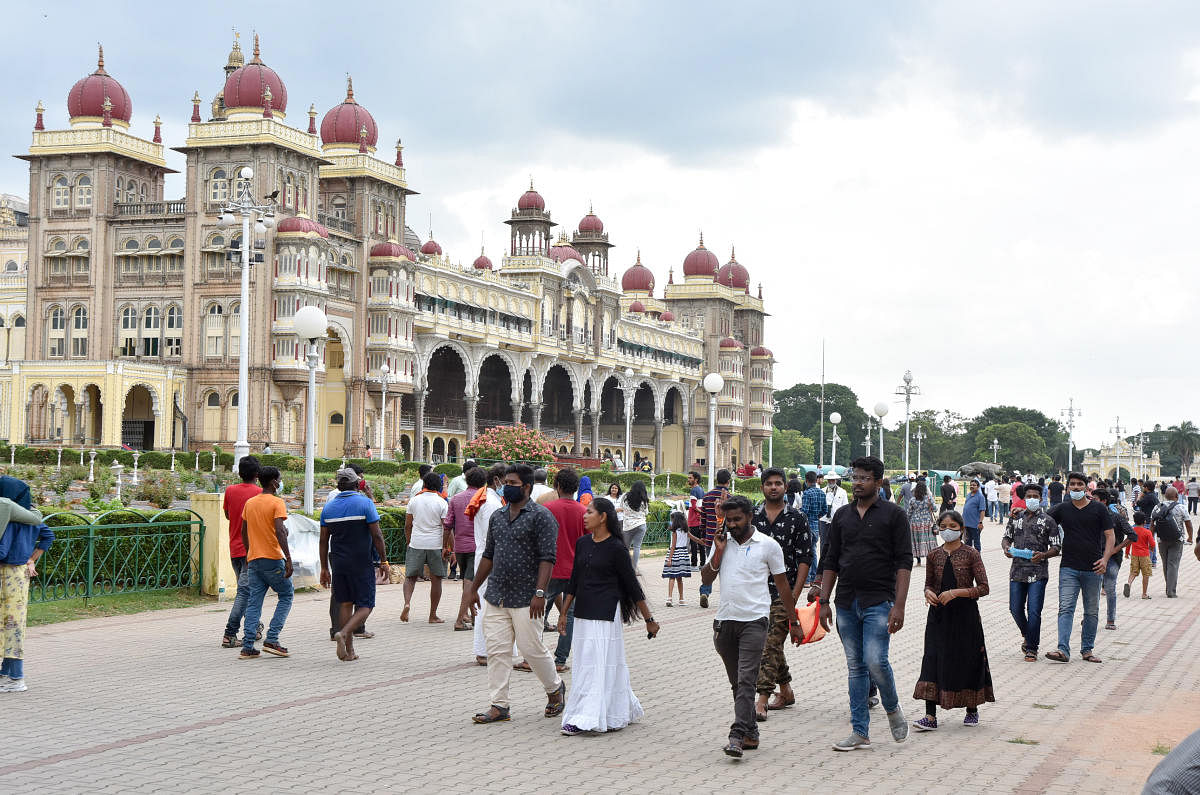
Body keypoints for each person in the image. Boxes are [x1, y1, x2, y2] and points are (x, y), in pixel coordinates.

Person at [816, 456, 912, 751]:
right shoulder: (842, 516)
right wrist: (823, 600)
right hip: (846, 602)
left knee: (875, 660)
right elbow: (830, 560)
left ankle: (893, 708)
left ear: (879, 482)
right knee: (855, 667)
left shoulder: (894, 515)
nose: (857, 483)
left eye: (864, 478)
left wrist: (899, 606)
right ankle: (860, 732)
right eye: (855, 478)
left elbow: (904, 563)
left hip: (878, 603)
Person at [699, 495, 800, 758]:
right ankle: (752, 733)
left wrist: (794, 621)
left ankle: (737, 736)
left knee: (746, 682)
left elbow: (782, 586)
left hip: (755, 622)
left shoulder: (768, 546)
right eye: (728, 520)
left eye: (737, 519)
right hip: (724, 623)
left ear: (750, 517)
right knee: (737, 684)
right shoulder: (722, 543)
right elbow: (706, 578)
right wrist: (718, 552)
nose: (732, 525)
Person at [468, 464, 566, 724]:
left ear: (526, 487)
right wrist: (473, 588)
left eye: (512, 483)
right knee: (497, 651)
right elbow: (488, 555)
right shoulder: (497, 516)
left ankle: (555, 689)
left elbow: (548, 558)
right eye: (505, 482)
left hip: (527, 597)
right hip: (497, 593)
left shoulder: (541, 517)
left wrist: (540, 592)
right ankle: (499, 705)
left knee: (531, 649)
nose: (505, 486)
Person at [558, 497, 658, 736]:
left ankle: (587, 716)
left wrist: (649, 619)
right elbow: (574, 580)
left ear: (603, 517)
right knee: (586, 663)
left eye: (589, 512)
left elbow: (632, 586)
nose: (585, 515)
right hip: (583, 612)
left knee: (599, 664)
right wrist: (563, 613)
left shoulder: (616, 547)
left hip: (605, 613)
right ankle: (616, 708)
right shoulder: (582, 543)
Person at [911, 510, 994, 730]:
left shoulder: (971, 554)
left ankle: (972, 709)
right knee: (932, 658)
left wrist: (957, 593)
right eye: (944, 526)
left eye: (953, 527)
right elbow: (928, 583)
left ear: (962, 529)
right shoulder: (933, 554)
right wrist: (928, 592)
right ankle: (930, 716)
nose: (948, 531)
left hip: (965, 617)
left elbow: (984, 588)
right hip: (938, 616)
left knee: (967, 659)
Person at [751, 468, 812, 722]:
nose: (773, 487)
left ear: (786, 488)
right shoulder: (752, 517)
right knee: (770, 642)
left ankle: (762, 698)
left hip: (783, 592)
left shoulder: (797, 518)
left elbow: (805, 558)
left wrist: (795, 594)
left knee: (769, 644)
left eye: (778, 483)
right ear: (762, 487)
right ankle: (785, 690)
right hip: (755, 592)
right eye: (769, 483)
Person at [1044, 473, 1115, 663]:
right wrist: (1020, 511)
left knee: (1091, 611)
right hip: (1068, 567)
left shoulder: (1099, 509)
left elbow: (1110, 536)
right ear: (1067, 488)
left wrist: (1105, 559)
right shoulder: (1062, 509)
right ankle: (1063, 650)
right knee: (1065, 608)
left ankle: (1087, 650)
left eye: (1079, 484)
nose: (1075, 487)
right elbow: (1041, 520)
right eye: (1072, 484)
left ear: (1086, 487)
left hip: (1093, 567)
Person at [319, 468, 388, 661]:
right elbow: (377, 535)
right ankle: (344, 632)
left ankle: (349, 651)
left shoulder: (329, 508)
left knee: (345, 603)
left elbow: (323, 540)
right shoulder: (365, 503)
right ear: (357, 485)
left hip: (339, 562)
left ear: (339, 486)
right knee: (365, 605)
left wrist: (324, 568)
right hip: (361, 562)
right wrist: (383, 560)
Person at [1001, 483, 1062, 662]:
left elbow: (1057, 546)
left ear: (1041, 499)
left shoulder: (1048, 521)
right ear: (1024, 498)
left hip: (1038, 572)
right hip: (1017, 570)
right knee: (1015, 609)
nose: (1032, 499)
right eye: (1029, 496)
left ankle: (1032, 648)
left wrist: (1043, 555)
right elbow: (1006, 537)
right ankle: (1027, 635)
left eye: (1036, 496)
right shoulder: (1015, 518)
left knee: (1034, 611)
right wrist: (1006, 548)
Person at [238, 466, 294, 659]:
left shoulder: (250, 503)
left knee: (254, 602)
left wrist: (248, 551)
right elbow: (279, 531)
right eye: (279, 479)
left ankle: (247, 646)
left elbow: (244, 531)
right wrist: (289, 558)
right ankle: (272, 639)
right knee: (286, 594)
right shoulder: (277, 502)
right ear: (273, 482)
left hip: (253, 559)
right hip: (272, 558)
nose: (280, 482)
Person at [0, 476, 48, 692]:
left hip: (7, 574)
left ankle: (16, 678)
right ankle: (9, 675)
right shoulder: (32, 515)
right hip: (19, 575)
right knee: (14, 624)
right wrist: (31, 558)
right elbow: (48, 535)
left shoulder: (8, 516)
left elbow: (2, 550)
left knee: (6, 625)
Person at [543, 467, 588, 673]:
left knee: (536, 613)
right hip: (575, 572)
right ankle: (560, 660)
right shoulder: (584, 512)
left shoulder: (547, 509)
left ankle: (533, 657)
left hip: (549, 570)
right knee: (569, 616)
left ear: (557, 486)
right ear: (576, 487)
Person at [220, 456, 263, 648]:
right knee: (245, 592)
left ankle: (253, 627)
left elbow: (229, 515)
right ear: (257, 474)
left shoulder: (230, 491)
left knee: (247, 590)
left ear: (239, 473)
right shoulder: (261, 493)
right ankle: (230, 634)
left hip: (235, 548)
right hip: (252, 550)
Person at [470, 463, 506, 666]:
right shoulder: (491, 504)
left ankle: (487, 649)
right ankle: (483, 651)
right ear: (497, 480)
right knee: (486, 603)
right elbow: (493, 537)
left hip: (486, 554)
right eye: (507, 481)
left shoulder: (489, 498)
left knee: (489, 603)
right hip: (488, 557)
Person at [403, 472, 451, 624]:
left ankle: (407, 603)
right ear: (438, 486)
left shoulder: (414, 500)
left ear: (424, 484)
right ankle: (432, 615)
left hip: (416, 542)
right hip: (435, 544)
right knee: (436, 580)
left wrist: (409, 541)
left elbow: (407, 525)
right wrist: (448, 547)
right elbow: (446, 528)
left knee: (410, 578)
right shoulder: (442, 503)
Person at [449, 466, 486, 631]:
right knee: (470, 583)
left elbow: (447, 525)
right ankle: (459, 620)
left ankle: (472, 614)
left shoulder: (456, 498)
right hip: (475, 546)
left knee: (466, 582)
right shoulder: (483, 499)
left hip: (460, 546)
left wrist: (448, 547)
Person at [1097, 488, 1136, 630]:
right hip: (1094, 556)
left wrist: (1116, 549)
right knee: (1092, 589)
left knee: (1110, 587)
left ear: (1104, 501)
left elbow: (1133, 535)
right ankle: (1089, 617)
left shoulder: (1116, 517)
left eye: (1095, 500)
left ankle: (1110, 620)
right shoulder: (1091, 517)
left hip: (1113, 558)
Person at [1150, 487, 1193, 598]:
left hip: (1161, 539)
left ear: (1164, 495)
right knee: (1173, 564)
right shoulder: (1181, 507)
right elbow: (1188, 524)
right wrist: (1190, 538)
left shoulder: (1157, 507)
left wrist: (1151, 538)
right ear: (1176, 496)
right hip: (1177, 540)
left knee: (1166, 564)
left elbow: (1152, 524)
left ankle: (1168, 587)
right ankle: (1171, 591)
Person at [698, 469, 732, 609]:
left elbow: (703, 518)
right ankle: (728, 596)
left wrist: (703, 535)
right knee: (727, 568)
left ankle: (705, 592)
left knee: (710, 566)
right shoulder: (730, 497)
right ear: (728, 481)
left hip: (710, 536)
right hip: (724, 538)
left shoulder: (707, 496)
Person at [800, 470, 827, 584]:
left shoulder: (807, 493)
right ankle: (813, 578)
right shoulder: (822, 493)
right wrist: (816, 516)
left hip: (807, 526)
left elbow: (804, 511)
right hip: (816, 525)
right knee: (814, 552)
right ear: (816, 480)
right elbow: (825, 510)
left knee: (806, 552)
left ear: (806, 481)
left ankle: (806, 580)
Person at [616, 480, 649, 569]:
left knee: (626, 547)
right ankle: (634, 569)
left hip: (628, 526)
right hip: (641, 525)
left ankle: (624, 567)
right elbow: (646, 512)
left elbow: (621, 507)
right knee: (637, 547)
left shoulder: (625, 496)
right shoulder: (644, 499)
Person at [662, 510, 691, 606]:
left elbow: (673, 546)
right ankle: (681, 599)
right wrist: (701, 542)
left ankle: (669, 598)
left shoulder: (674, 532)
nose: (671, 522)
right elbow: (694, 538)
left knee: (672, 576)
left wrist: (669, 559)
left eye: (672, 520)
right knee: (679, 578)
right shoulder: (685, 530)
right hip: (683, 554)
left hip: (675, 554)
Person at [1124, 511, 1155, 600]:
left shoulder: (1132, 530)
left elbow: (1128, 542)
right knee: (1146, 574)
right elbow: (1152, 543)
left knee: (1133, 572)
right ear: (1144, 521)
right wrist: (1151, 549)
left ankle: (1129, 583)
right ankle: (1144, 594)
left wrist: (1126, 553)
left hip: (1134, 554)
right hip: (1144, 555)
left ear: (1134, 521)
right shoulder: (1147, 531)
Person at [907, 480, 937, 566]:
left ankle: (918, 561)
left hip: (915, 523)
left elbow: (909, 513)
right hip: (926, 522)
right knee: (928, 540)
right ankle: (929, 560)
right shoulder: (929, 498)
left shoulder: (912, 500)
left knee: (916, 541)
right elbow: (935, 509)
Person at [686, 471, 706, 570]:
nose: (688, 480)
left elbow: (694, 507)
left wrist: (700, 513)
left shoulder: (694, 490)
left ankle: (693, 564)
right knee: (701, 543)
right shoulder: (701, 490)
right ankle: (703, 564)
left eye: (690, 478)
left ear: (696, 479)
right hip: (700, 521)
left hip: (694, 521)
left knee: (693, 543)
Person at [962, 480, 987, 551]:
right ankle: (968, 558)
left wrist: (980, 522)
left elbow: (982, 510)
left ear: (978, 487)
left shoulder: (980, 497)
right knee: (967, 542)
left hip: (975, 524)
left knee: (976, 543)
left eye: (974, 485)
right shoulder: (968, 495)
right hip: (966, 523)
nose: (972, 486)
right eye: (971, 485)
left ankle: (977, 558)